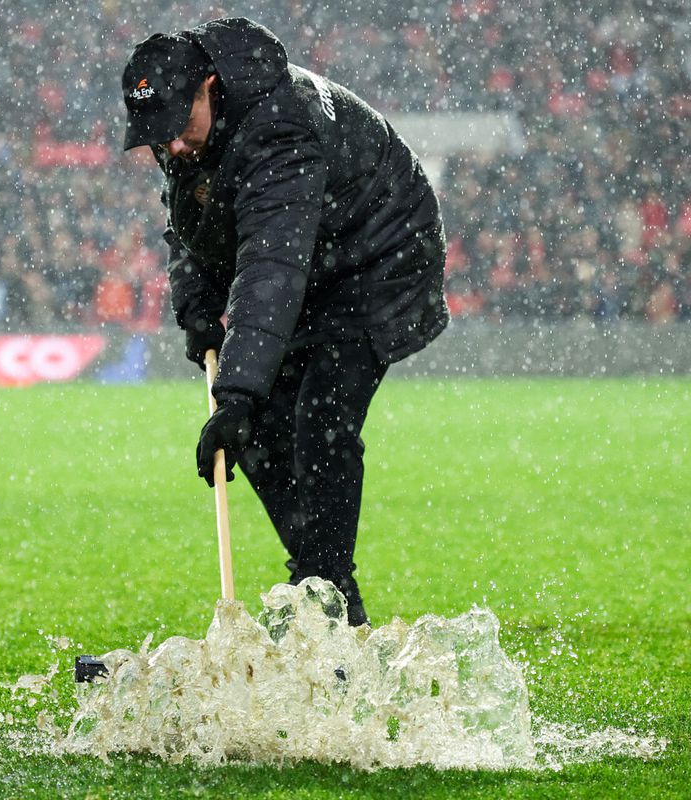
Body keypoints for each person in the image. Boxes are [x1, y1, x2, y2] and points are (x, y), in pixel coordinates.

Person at [120, 17, 448, 626]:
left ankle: (322, 593)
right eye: (158, 138)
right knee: (256, 431)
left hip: (376, 257)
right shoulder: (190, 128)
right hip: (312, 260)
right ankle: (329, 600)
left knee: (320, 419)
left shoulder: (278, 130)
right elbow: (194, 226)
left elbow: (273, 263)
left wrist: (236, 392)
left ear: (209, 87)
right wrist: (197, 314)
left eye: (177, 131)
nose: (172, 149)